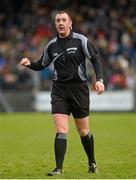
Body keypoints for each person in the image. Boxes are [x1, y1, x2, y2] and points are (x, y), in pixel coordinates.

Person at [20, 10, 105, 176]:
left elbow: (95, 59)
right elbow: (41, 64)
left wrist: (100, 80)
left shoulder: (81, 40)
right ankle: (58, 168)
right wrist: (29, 63)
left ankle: (92, 163)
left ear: (70, 23)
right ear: (55, 24)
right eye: (57, 20)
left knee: (83, 131)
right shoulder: (51, 45)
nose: (60, 23)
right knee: (61, 129)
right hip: (59, 90)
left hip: (79, 90)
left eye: (63, 20)